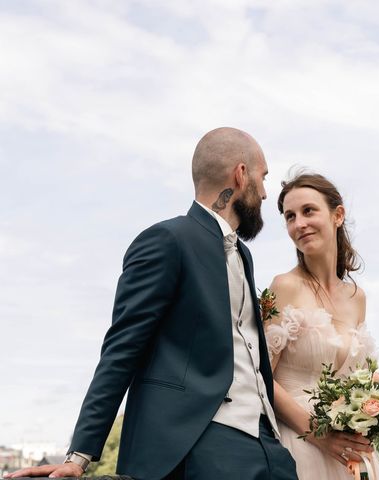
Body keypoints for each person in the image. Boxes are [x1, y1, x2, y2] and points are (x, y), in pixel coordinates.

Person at [5, 128, 298, 480]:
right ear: (240, 174)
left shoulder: (243, 256)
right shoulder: (167, 241)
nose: (266, 193)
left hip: (270, 449)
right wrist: (79, 456)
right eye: (262, 178)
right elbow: (122, 347)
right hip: (204, 444)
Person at [265, 173, 379, 479]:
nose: (299, 224)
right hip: (298, 444)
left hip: (350, 454)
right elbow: (258, 375)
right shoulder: (283, 286)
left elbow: (352, 381)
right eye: (290, 217)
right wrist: (318, 434)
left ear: (338, 215)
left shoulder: (357, 298)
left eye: (308, 211)